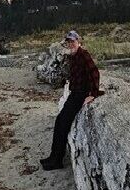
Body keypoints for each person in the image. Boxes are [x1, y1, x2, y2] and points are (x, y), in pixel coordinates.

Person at [41, 30, 101, 170]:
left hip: (80, 95)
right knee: (60, 121)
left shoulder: (83, 54)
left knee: (62, 123)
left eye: (73, 41)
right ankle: (53, 157)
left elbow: (95, 73)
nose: (71, 44)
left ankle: (56, 160)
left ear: (78, 42)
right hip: (75, 94)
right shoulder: (74, 56)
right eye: (69, 42)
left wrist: (93, 94)